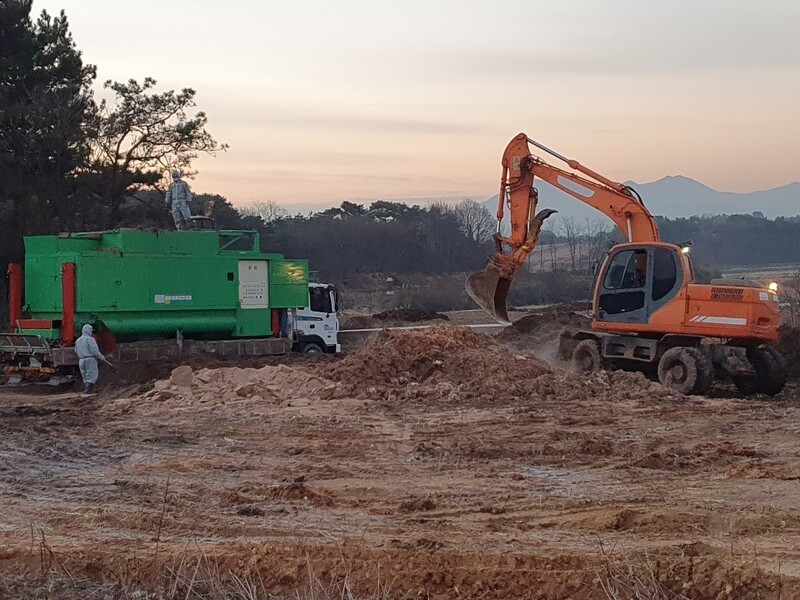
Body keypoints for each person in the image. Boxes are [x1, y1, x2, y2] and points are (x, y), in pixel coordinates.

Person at [75, 324, 112, 394]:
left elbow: (76, 350)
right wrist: (101, 357)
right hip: (90, 359)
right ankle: (88, 391)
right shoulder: (90, 339)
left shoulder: (78, 340)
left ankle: (87, 389)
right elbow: (94, 351)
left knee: (85, 376)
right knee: (92, 375)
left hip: (81, 360)